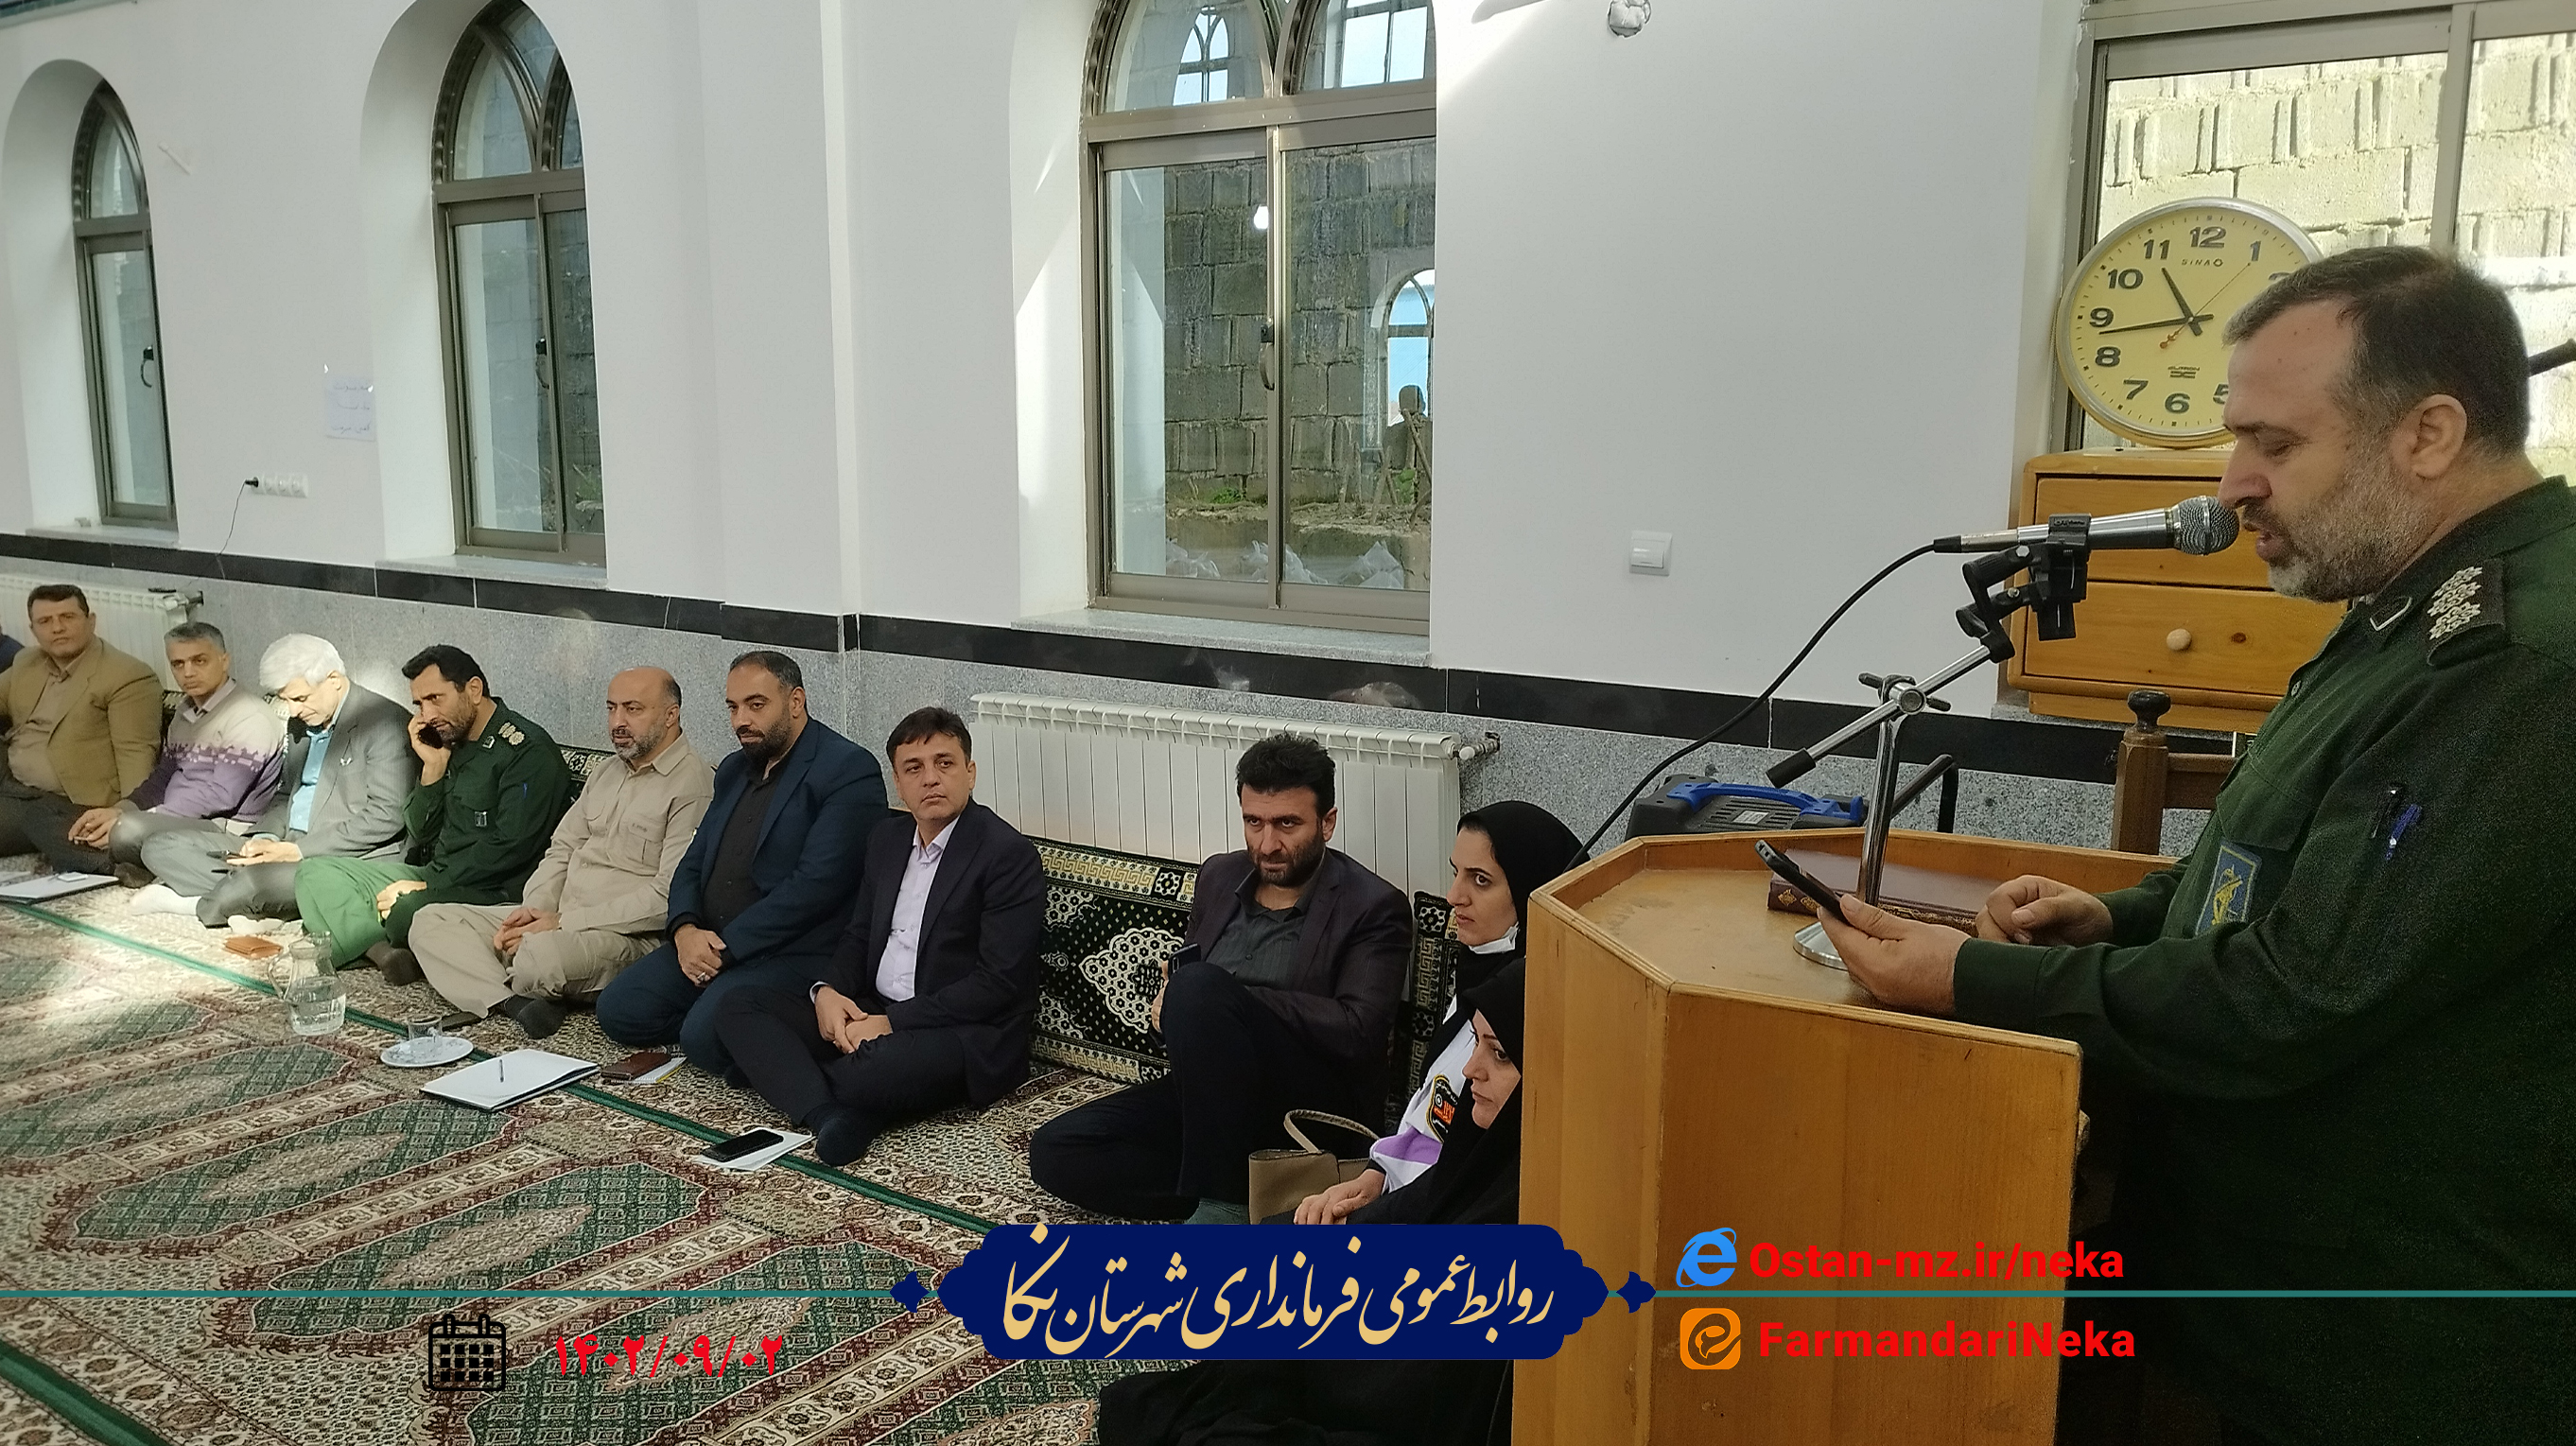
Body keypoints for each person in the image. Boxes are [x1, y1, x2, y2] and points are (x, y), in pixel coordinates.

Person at [1815, 248, 2576, 1444]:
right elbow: (2279, 868)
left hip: (2388, 1339)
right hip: (2270, 1287)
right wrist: (2116, 917)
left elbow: (2298, 991)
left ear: (2428, 434)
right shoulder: (2401, 603)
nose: (2234, 487)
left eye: (2275, 444)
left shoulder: (2513, 661)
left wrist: (1971, 978)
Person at [1095, 958, 1526, 1446]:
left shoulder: (1532, 1197)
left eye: (1499, 1054)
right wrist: (1361, 1203)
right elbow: (1428, 1196)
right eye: (1475, 1044)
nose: (1470, 1069)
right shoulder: (1483, 1139)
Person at [1028, 733, 1412, 1224]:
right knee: (1059, 1151)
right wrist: (1170, 1007)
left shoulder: (1373, 905)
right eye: (1254, 822)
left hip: (1305, 1110)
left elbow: (1359, 1031)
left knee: (1200, 987)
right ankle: (1255, 1196)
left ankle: (1222, 1206)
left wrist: (1227, 999)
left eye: (1287, 823)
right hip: (1209, 1099)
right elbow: (1193, 996)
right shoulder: (1219, 876)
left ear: (1327, 822)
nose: (1268, 844)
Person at [711, 706, 1044, 1165]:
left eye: (944, 763)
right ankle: (830, 1113)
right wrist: (828, 992)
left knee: (877, 1068)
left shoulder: (1006, 855)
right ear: (898, 784)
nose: (931, 779)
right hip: (873, 1008)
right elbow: (858, 934)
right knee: (738, 1007)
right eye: (914, 768)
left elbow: (997, 984)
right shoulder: (887, 840)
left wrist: (891, 1024)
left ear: (970, 773)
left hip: (960, 1031)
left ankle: (789, 1078)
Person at [595, 651, 888, 1074]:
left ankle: (749, 1027)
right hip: (713, 941)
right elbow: (693, 861)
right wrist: (685, 930)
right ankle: (733, 1021)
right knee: (620, 1010)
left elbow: (816, 886)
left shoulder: (846, 769)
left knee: (702, 1040)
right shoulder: (734, 769)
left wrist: (726, 950)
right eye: (733, 707)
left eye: (756, 705)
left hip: (791, 950)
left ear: (795, 701)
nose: (741, 720)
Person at [1294, 800, 1580, 1226]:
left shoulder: (1534, 1001)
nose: (1453, 897)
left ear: (1533, 891)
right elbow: (1428, 1113)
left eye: (1480, 880)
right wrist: (1376, 1176)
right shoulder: (1477, 966)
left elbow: (1475, 1175)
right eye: (1456, 873)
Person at [407, 668, 712, 1038]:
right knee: (430, 921)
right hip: (556, 919)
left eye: (632, 709)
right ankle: (513, 1003)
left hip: (623, 936)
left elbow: (668, 897)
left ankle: (493, 979)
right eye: (611, 708)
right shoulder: (608, 773)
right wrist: (532, 912)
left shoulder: (693, 785)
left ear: (670, 715)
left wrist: (562, 924)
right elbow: (562, 848)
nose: (617, 722)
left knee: (538, 958)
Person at [295, 645, 572, 968]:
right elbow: (420, 830)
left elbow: (510, 848)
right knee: (314, 872)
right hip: (437, 873)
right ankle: (381, 952)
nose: (426, 716)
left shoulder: (525, 752)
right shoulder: (449, 740)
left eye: (435, 699)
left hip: (493, 888)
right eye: (419, 704)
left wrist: (429, 886)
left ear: (473, 690)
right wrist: (433, 768)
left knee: (405, 912)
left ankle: (362, 935)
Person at [135, 635, 418, 928]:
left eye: (300, 699)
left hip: (338, 856)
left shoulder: (384, 723)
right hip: (286, 844)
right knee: (160, 846)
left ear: (333, 679)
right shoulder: (302, 721)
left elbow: (387, 815)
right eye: (286, 700)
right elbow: (285, 795)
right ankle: (260, 904)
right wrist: (265, 838)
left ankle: (205, 902)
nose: (293, 711)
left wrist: (298, 851)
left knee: (252, 883)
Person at [103, 622, 286, 905]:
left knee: (128, 831)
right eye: (178, 664)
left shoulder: (249, 716)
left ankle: (159, 873)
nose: (187, 672)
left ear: (224, 661)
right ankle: (153, 870)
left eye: (199, 661)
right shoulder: (186, 711)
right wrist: (121, 808)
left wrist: (151, 816)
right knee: (108, 825)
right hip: (177, 817)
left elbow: (221, 795)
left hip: (223, 827)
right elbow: (162, 777)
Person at [0, 584, 160, 874]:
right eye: (45, 621)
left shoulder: (127, 676)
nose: (57, 628)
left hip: (64, 801)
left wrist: (126, 818)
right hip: (12, 781)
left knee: (32, 819)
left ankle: (112, 865)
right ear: (33, 630)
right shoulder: (27, 661)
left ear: (91, 621)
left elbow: (135, 752)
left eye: (68, 617)